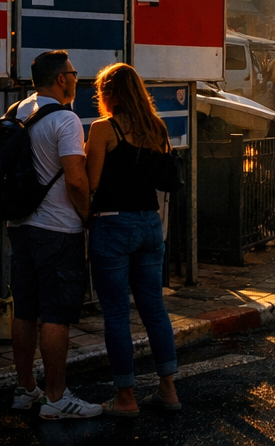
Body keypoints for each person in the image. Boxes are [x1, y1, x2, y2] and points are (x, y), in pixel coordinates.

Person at [9, 51, 102, 419]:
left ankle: (25, 388)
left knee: (25, 309)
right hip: (57, 230)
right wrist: (86, 215)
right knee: (55, 314)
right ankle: (57, 397)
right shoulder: (65, 119)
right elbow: (77, 180)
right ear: (61, 79)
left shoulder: (18, 111)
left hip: (21, 226)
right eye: (73, 73)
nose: (77, 79)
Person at [85, 64, 181, 417]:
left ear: (109, 94)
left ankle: (125, 398)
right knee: (154, 308)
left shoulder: (103, 130)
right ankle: (168, 390)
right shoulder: (156, 127)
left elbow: (91, 184)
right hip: (149, 225)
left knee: (116, 314)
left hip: (112, 225)